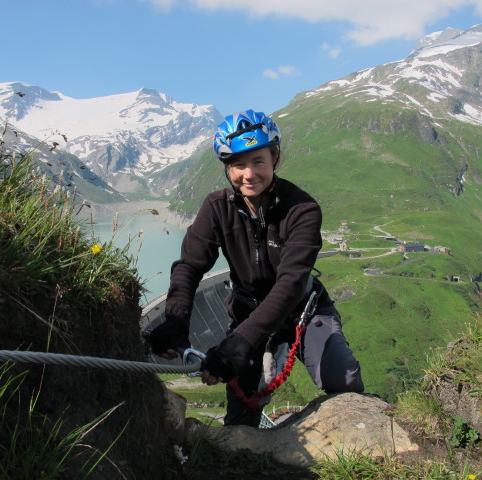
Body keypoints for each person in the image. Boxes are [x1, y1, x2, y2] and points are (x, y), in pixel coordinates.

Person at [149, 110, 364, 427]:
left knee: (344, 381)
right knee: (241, 417)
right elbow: (189, 265)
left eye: (258, 161)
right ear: (227, 168)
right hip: (247, 310)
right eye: (238, 164)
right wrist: (176, 319)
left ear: (275, 159)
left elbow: (290, 283)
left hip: (302, 310)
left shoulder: (302, 210)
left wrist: (239, 343)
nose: (249, 174)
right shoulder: (217, 207)